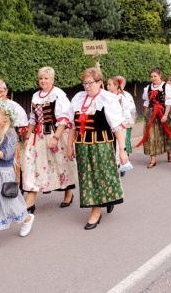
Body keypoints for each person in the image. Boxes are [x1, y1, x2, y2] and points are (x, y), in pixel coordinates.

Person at [66, 68, 128, 230]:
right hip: (82, 147)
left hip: (101, 146)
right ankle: (102, 203)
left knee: (101, 176)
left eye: (90, 83)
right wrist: (69, 146)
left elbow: (117, 126)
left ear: (100, 82)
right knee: (87, 178)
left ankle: (96, 211)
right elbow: (72, 125)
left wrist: (122, 150)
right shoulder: (78, 99)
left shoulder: (108, 99)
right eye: (84, 83)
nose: (87, 86)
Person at [0, 100, 35, 258]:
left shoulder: (11, 134)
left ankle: (27, 218)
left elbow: (6, 155)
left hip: (5, 174)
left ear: (4, 118)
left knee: (11, 204)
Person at [23, 67, 76, 214]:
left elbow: (64, 119)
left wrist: (55, 138)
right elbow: (33, 118)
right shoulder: (35, 96)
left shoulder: (58, 95)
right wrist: (28, 136)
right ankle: (30, 200)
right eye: (41, 78)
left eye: (46, 78)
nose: (43, 81)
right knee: (33, 165)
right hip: (38, 136)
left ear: (52, 80)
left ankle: (68, 193)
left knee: (62, 164)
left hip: (56, 133)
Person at [137, 67, 171, 168]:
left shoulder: (166, 87)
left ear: (160, 76)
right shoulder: (148, 88)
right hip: (151, 113)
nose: (153, 78)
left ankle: (169, 152)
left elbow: (169, 102)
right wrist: (146, 114)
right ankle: (153, 159)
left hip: (162, 112)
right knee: (151, 135)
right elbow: (146, 102)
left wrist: (166, 115)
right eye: (151, 76)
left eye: (155, 76)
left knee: (166, 132)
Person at [106, 75, 135, 177]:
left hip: (119, 125)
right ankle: (113, 165)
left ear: (116, 86)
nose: (107, 86)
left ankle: (121, 165)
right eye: (107, 84)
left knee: (119, 146)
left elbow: (127, 112)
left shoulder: (122, 98)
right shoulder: (106, 96)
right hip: (109, 126)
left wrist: (126, 123)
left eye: (109, 84)